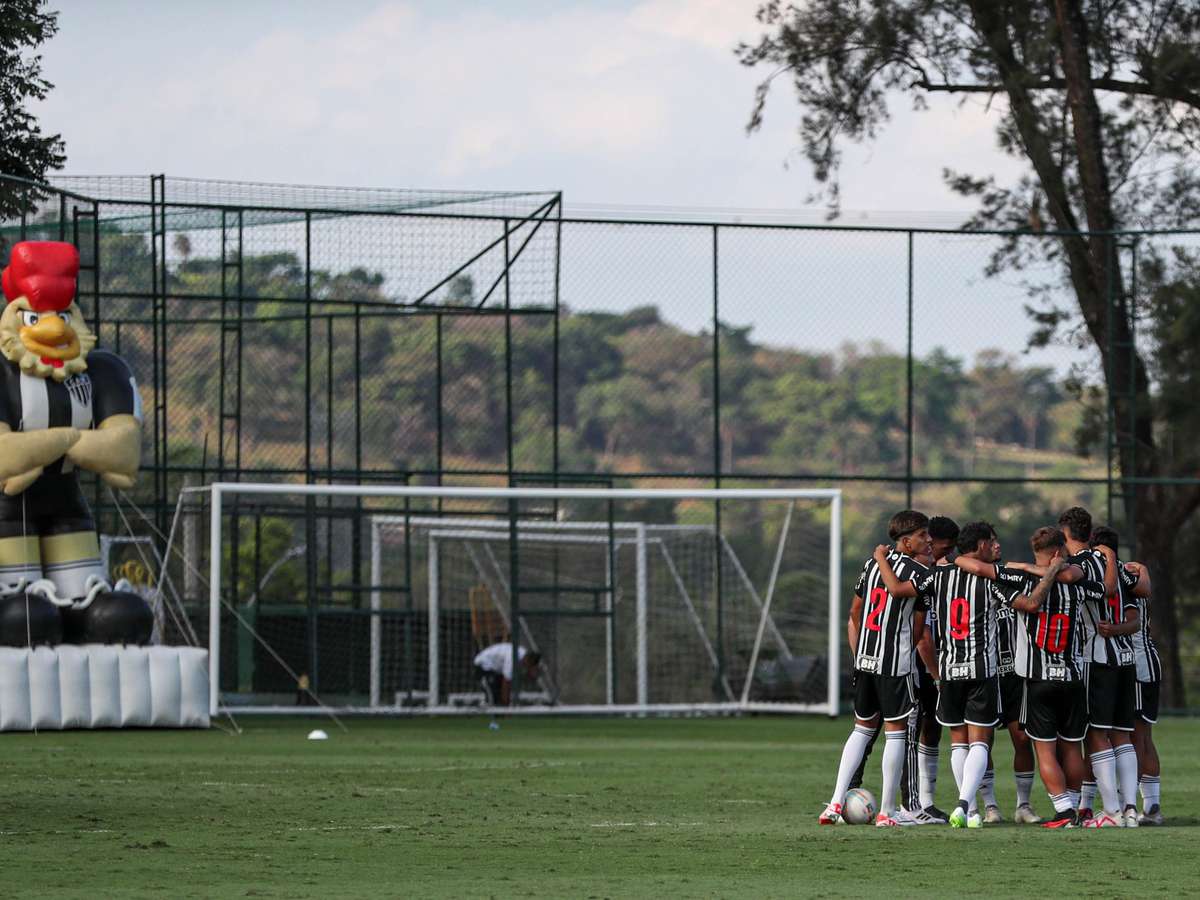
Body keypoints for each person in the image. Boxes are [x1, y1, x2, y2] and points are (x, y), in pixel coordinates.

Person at [881, 521, 1059, 828]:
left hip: (949, 671)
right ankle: (966, 805)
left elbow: (898, 590)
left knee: (958, 743)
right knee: (979, 742)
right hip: (981, 671)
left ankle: (973, 809)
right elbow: (1031, 604)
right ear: (979, 547)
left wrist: (880, 559)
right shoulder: (989, 582)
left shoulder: (936, 577)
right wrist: (1053, 571)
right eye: (991, 542)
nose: (995, 547)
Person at [971, 526, 1102, 828]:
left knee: (1044, 748)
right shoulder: (1078, 585)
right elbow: (1102, 589)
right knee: (1070, 746)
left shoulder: (1021, 580)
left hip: (1037, 677)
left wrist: (1022, 567)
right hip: (1071, 676)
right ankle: (1076, 809)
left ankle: (1064, 810)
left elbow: (981, 569)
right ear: (1059, 553)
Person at [819, 510, 935, 827]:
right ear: (905, 540)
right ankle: (886, 811)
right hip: (893, 665)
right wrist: (900, 649)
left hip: (867, 661)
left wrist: (862, 652)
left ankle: (834, 804)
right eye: (923, 535)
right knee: (896, 734)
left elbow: (855, 611)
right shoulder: (924, 573)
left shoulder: (871, 565)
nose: (928, 541)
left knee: (862, 729)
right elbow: (899, 595)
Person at [1057, 507, 1141, 827]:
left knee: (1096, 735)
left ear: (1066, 535)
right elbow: (1141, 584)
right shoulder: (1117, 563)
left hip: (1098, 658)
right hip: (1125, 658)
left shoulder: (1082, 563)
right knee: (1122, 736)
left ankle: (1111, 812)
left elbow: (1074, 580)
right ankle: (1130, 809)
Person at [473, 642, 541, 706]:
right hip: (483, 666)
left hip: (495, 670)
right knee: (492, 695)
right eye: (529, 666)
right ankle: (479, 709)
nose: (527, 668)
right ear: (528, 660)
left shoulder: (523, 654)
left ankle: (497, 711)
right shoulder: (512, 658)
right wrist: (506, 704)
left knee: (498, 695)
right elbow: (506, 683)